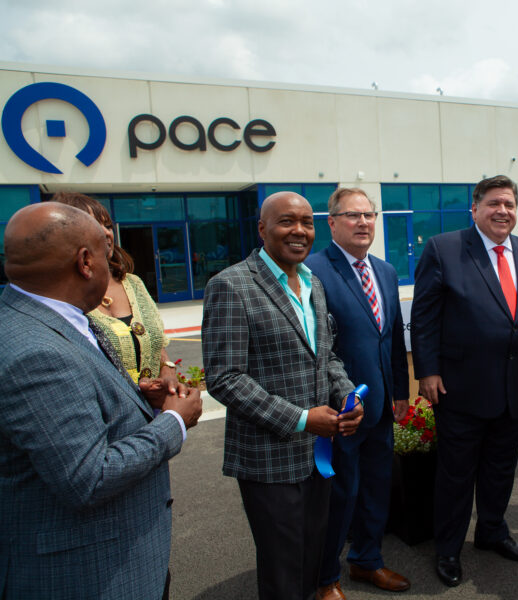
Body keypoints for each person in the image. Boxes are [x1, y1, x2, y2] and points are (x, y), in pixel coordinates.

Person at [0, 202, 202, 600]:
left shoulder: (51, 318)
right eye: (105, 254)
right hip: (88, 575)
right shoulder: (36, 351)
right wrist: (174, 422)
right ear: (85, 263)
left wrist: (141, 400)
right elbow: (88, 478)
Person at [201, 191, 364, 600]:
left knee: (311, 561)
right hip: (268, 460)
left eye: (307, 222)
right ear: (262, 229)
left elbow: (325, 356)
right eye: (286, 221)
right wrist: (303, 418)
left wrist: (346, 395)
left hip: (317, 457)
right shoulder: (231, 285)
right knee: (282, 574)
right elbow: (225, 378)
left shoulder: (313, 283)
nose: (299, 231)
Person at [410, 175, 518, 588]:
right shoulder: (445, 248)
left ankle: (492, 531)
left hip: (514, 388)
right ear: (474, 209)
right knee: (456, 475)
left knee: (501, 468)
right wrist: (427, 371)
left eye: (509, 203)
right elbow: (424, 317)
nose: (502, 211)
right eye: (494, 203)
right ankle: (449, 548)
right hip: (460, 387)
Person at [306, 188, 410, 600]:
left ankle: (367, 561)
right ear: (331, 223)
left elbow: (391, 336)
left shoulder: (384, 270)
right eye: (353, 215)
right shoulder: (313, 271)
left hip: (381, 407)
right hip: (340, 412)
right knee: (340, 496)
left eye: (369, 215)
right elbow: (317, 347)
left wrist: (400, 392)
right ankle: (325, 578)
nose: (364, 222)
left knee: (375, 489)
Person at [50, 192, 179, 386]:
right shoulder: (61, 297)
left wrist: (168, 371)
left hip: (155, 411)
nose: (107, 233)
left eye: (108, 226)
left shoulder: (133, 283)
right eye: (95, 226)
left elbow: (157, 344)